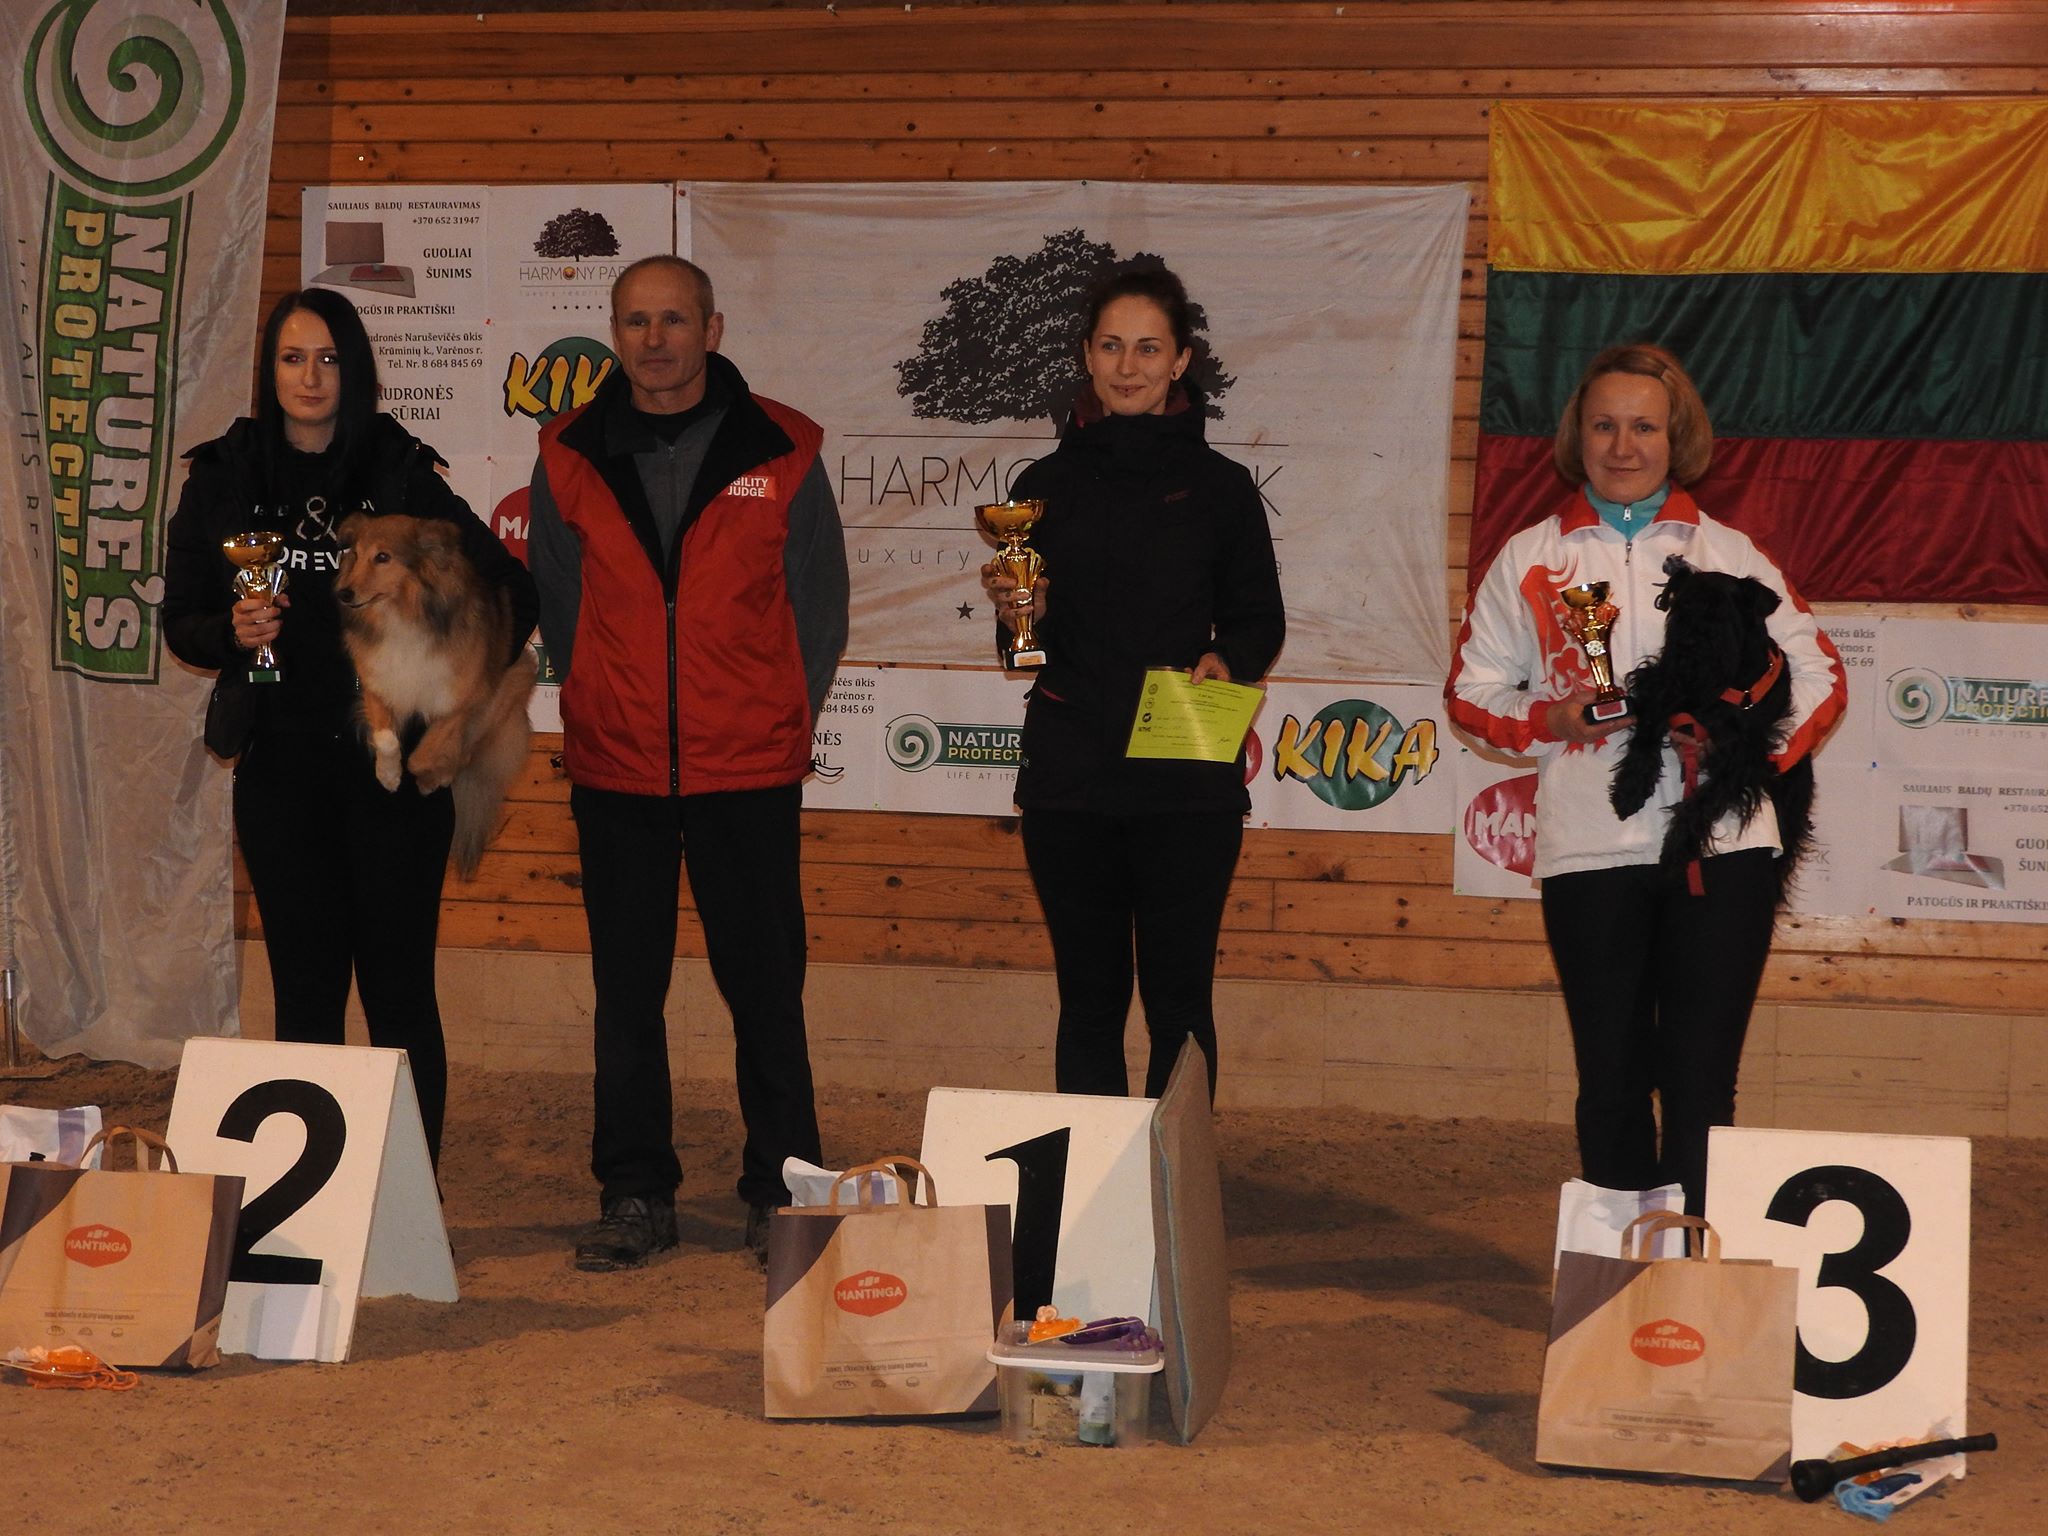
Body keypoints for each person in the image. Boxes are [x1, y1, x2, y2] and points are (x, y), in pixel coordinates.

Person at [1446, 343, 1846, 1214]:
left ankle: (1696, 1269)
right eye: (1603, 426)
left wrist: (1745, 757)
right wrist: (1550, 721)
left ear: (1677, 438)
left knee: (1702, 1084)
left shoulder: (1731, 553)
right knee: (1612, 1081)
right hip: (1590, 848)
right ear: (1577, 436)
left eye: (1643, 427)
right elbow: (1472, 693)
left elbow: (1820, 674)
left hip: (1723, 848)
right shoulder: (1529, 557)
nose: (1622, 446)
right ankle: (1619, 1282)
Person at [163, 287, 537, 1168]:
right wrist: (231, 633)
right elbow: (182, 619)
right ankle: (317, 1202)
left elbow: (511, 590)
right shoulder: (223, 475)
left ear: (355, 370)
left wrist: (461, 705)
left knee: (400, 996)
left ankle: (414, 1202)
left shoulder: (399, 469)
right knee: (304, 997)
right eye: (293, 358)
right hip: (280, 772)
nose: (310, 377)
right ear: (269, 369)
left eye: (329, 359)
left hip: (394, 778)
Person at [528, 255, 848, 1271]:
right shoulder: (567, 452)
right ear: (614, 332)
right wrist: (604, 700)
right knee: (627, 996)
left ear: (711, 329)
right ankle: (634, 1193)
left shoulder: (783, 447)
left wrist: (771, 718)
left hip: (746, 771)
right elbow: (560, 605)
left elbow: (819, 608)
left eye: (673, 320)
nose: (654, 339)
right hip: (616, 769)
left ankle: (783, 1188)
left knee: (766, 993)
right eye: (635, 321)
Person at [981, 265, 1285, 1101]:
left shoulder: (1223, 490)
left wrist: (1230, 660)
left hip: (1186, 780)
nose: (1128, 365)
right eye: (1112, 345)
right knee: (1088, 1005)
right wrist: (1019, 617)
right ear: (1086, 353)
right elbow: (1021, 656)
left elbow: (1260, 619)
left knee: (1180, 1005)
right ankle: (1092, 1181)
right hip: (1069, 784)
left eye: (1149, 348)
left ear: (1181, 360)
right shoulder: (1040, 490)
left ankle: (1173, 1179)